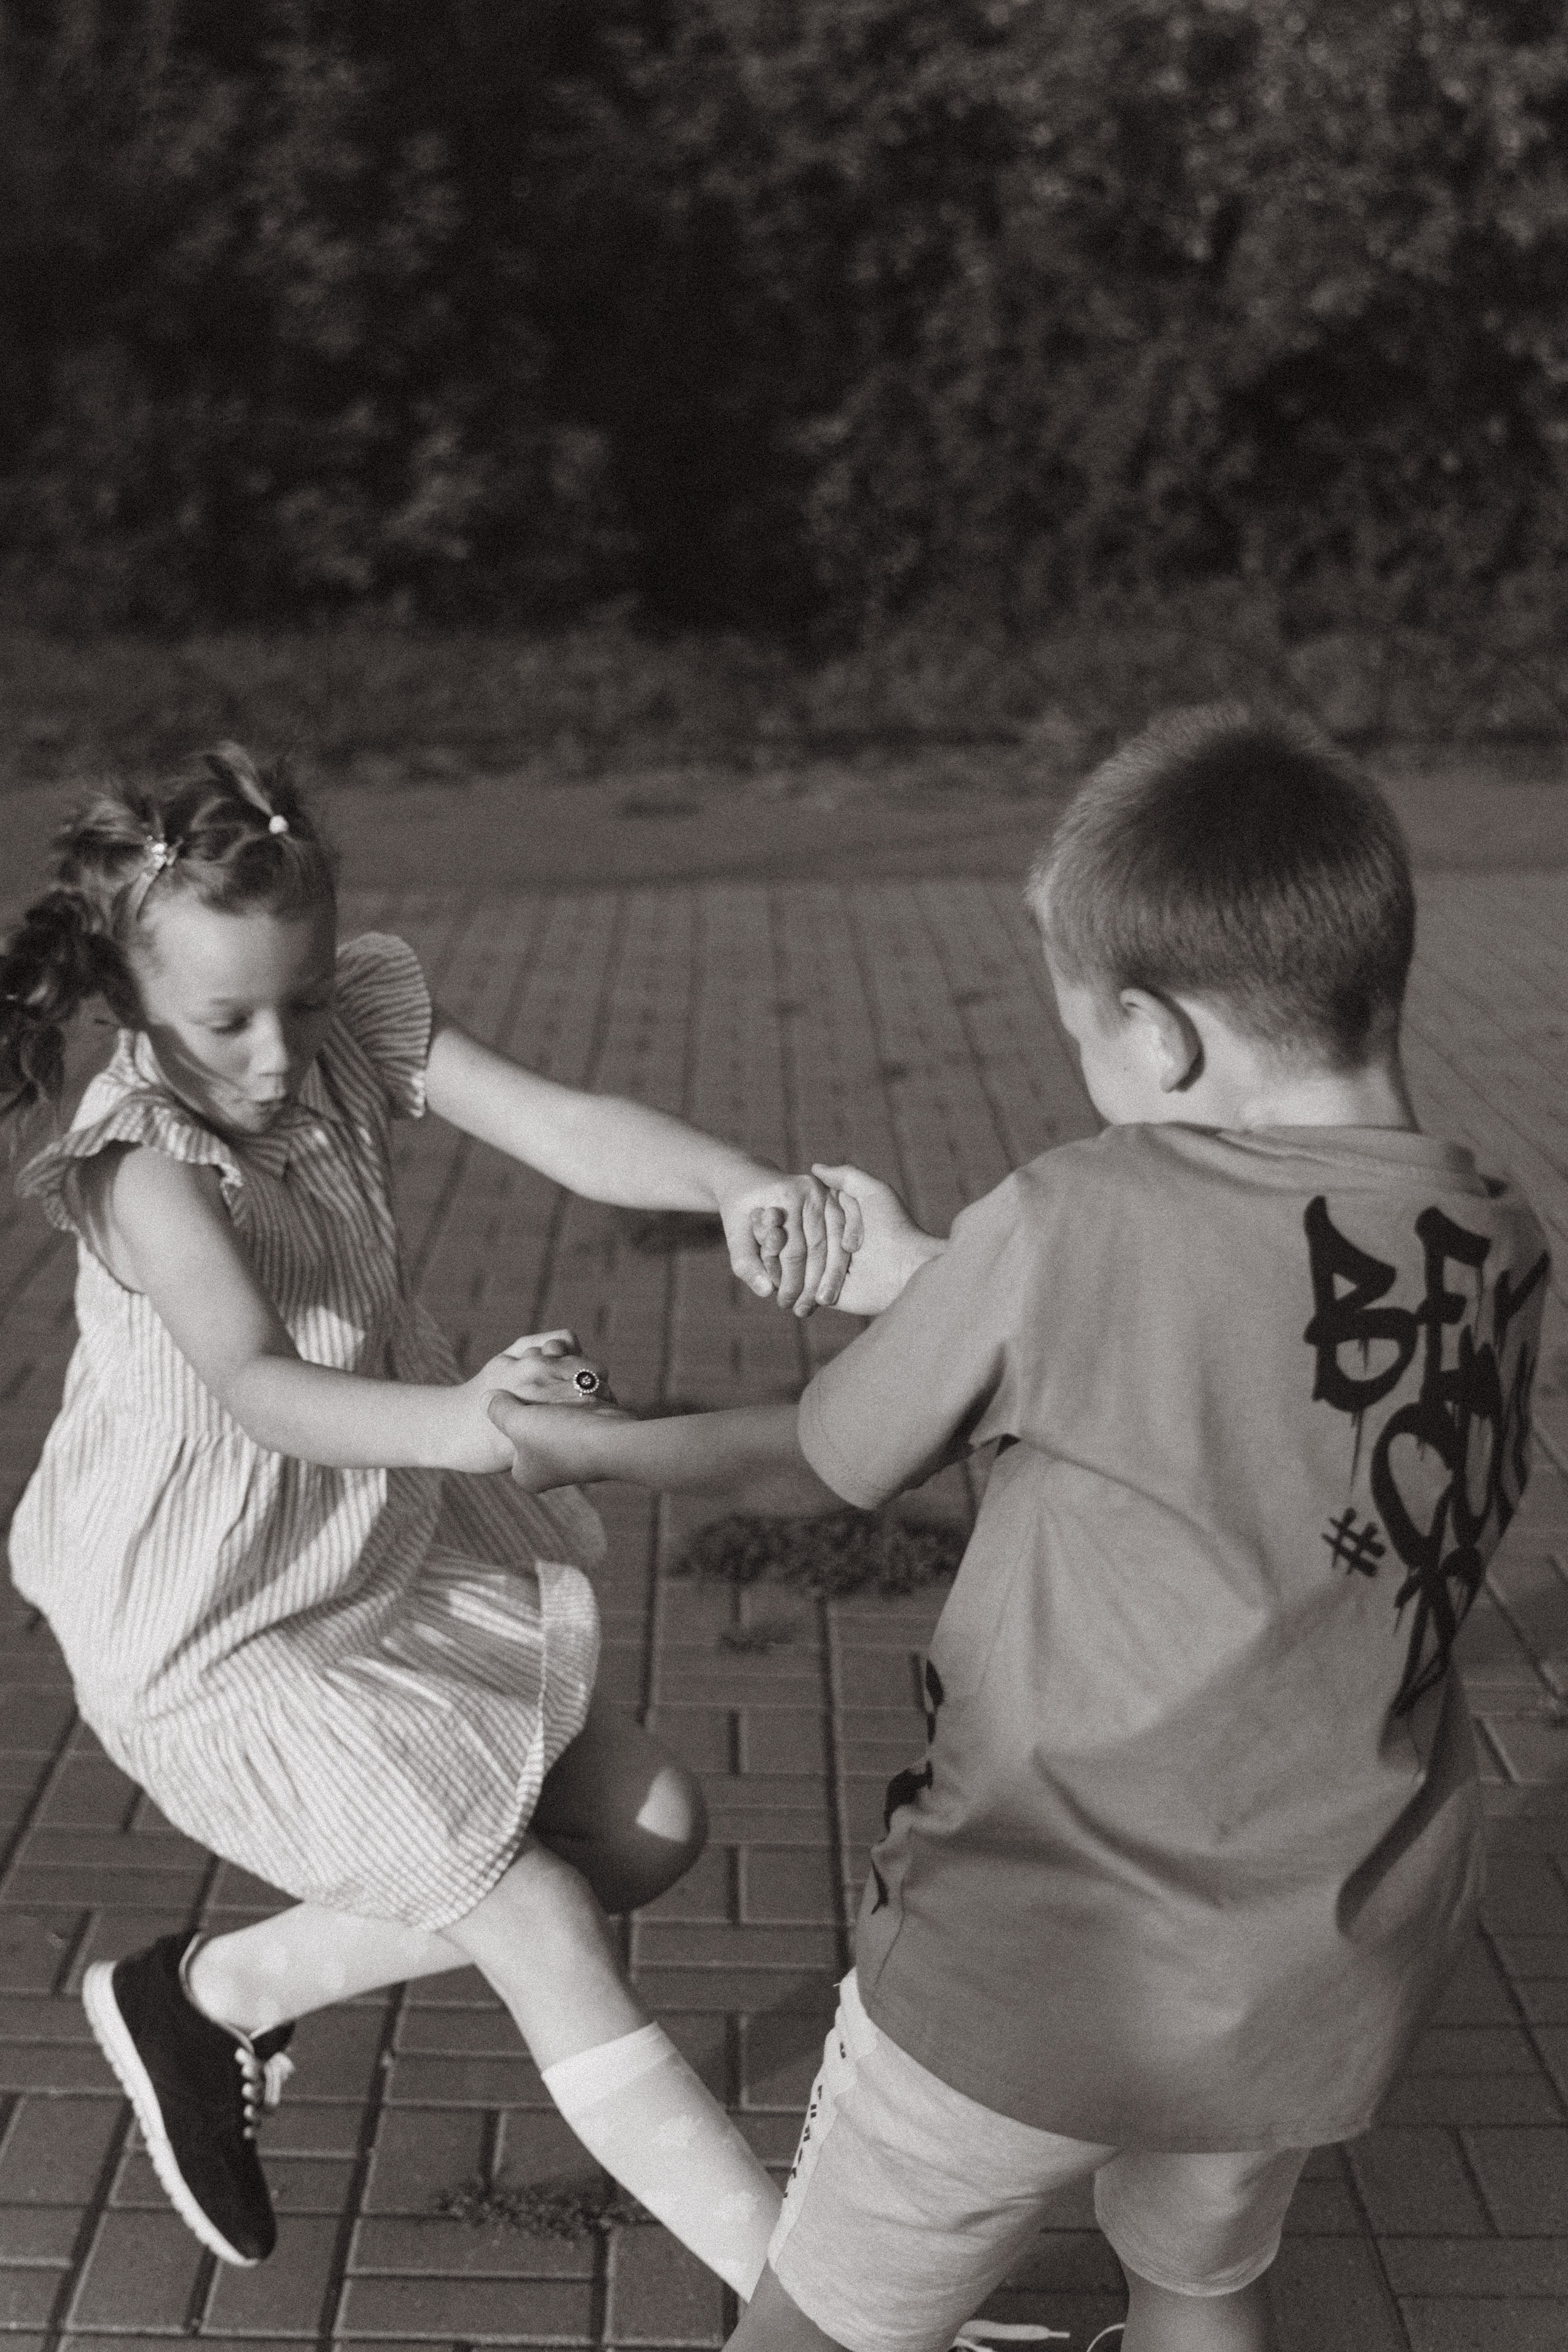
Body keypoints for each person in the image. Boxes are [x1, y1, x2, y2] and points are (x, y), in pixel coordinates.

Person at [489, 706, 1551, 2352]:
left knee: (822, 2330)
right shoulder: (1493, 1232)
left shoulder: (1076, 1212)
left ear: (1159, 1034)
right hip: (1321, 1974)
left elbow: (824, 1463)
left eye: (1083, 1041)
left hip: (1033, 1962)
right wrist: (937, 1272)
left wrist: (599, 1446)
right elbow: (1232, 1371)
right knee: (1202, 2277)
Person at [0, 743, 854, 2284]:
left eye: (305, 996)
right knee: (533, 1911)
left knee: (648, 1830)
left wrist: (733, 1182)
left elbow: (570, 1125)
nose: (276, 1053)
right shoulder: (144, 1169)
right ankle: (818, 2306)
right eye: (226, 1019)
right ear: (129, 1004)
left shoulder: (349, 1029)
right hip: (209, 1622)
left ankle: (205, 1999)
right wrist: (468, 1424)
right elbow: (259, 1386)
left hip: (355, 1552)